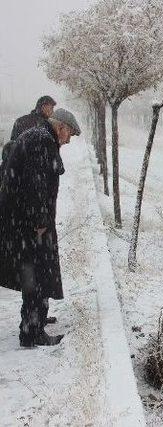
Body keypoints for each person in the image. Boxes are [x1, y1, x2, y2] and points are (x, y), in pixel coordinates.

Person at [0, 108, 81, 347]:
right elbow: (35, 186)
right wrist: (40, 222)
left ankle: (37, 319)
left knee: (35, 273)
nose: (68, 141)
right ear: (61, 127)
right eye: (70, 135)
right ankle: (32, 331)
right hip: (29, 224)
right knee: (36, 274)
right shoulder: (42, 141)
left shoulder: (37, 136)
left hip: (21, 221)